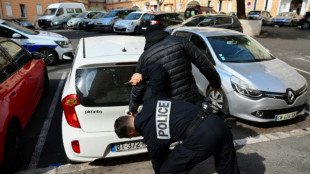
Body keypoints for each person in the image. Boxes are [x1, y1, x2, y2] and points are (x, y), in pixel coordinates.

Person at [115, 64, 240, 174]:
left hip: (202, 138)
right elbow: (157, 69)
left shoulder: (152, 140)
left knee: (167, 171)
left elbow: (159, 166)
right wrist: (141, 75)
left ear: (131, 134)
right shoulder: (151, 101)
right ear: (131, 116)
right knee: (228, 169)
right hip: (216, 121)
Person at [129, 25, 221, 116]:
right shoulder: (180, 41)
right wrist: (215, 83)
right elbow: (203, 63)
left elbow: (137, 83)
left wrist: (133, 108)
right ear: (162, 32)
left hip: (167, 108)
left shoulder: (144, 57)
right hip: (190, 100)